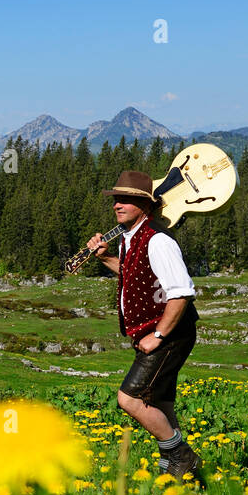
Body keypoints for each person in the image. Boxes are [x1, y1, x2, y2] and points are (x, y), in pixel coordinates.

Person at [86, 171, 201, 479]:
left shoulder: (158, 240)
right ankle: (177, 474)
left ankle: (181, 455)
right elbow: (134, 273)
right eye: (115, 200)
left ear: (144, 204)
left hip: (169, 334)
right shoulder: (132, 237)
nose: (117, 205)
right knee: (159, 402)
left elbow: (181, 293)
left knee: (130, 398)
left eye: (125, 200)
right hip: (155, 333)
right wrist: (106, 258)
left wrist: (159, 335)